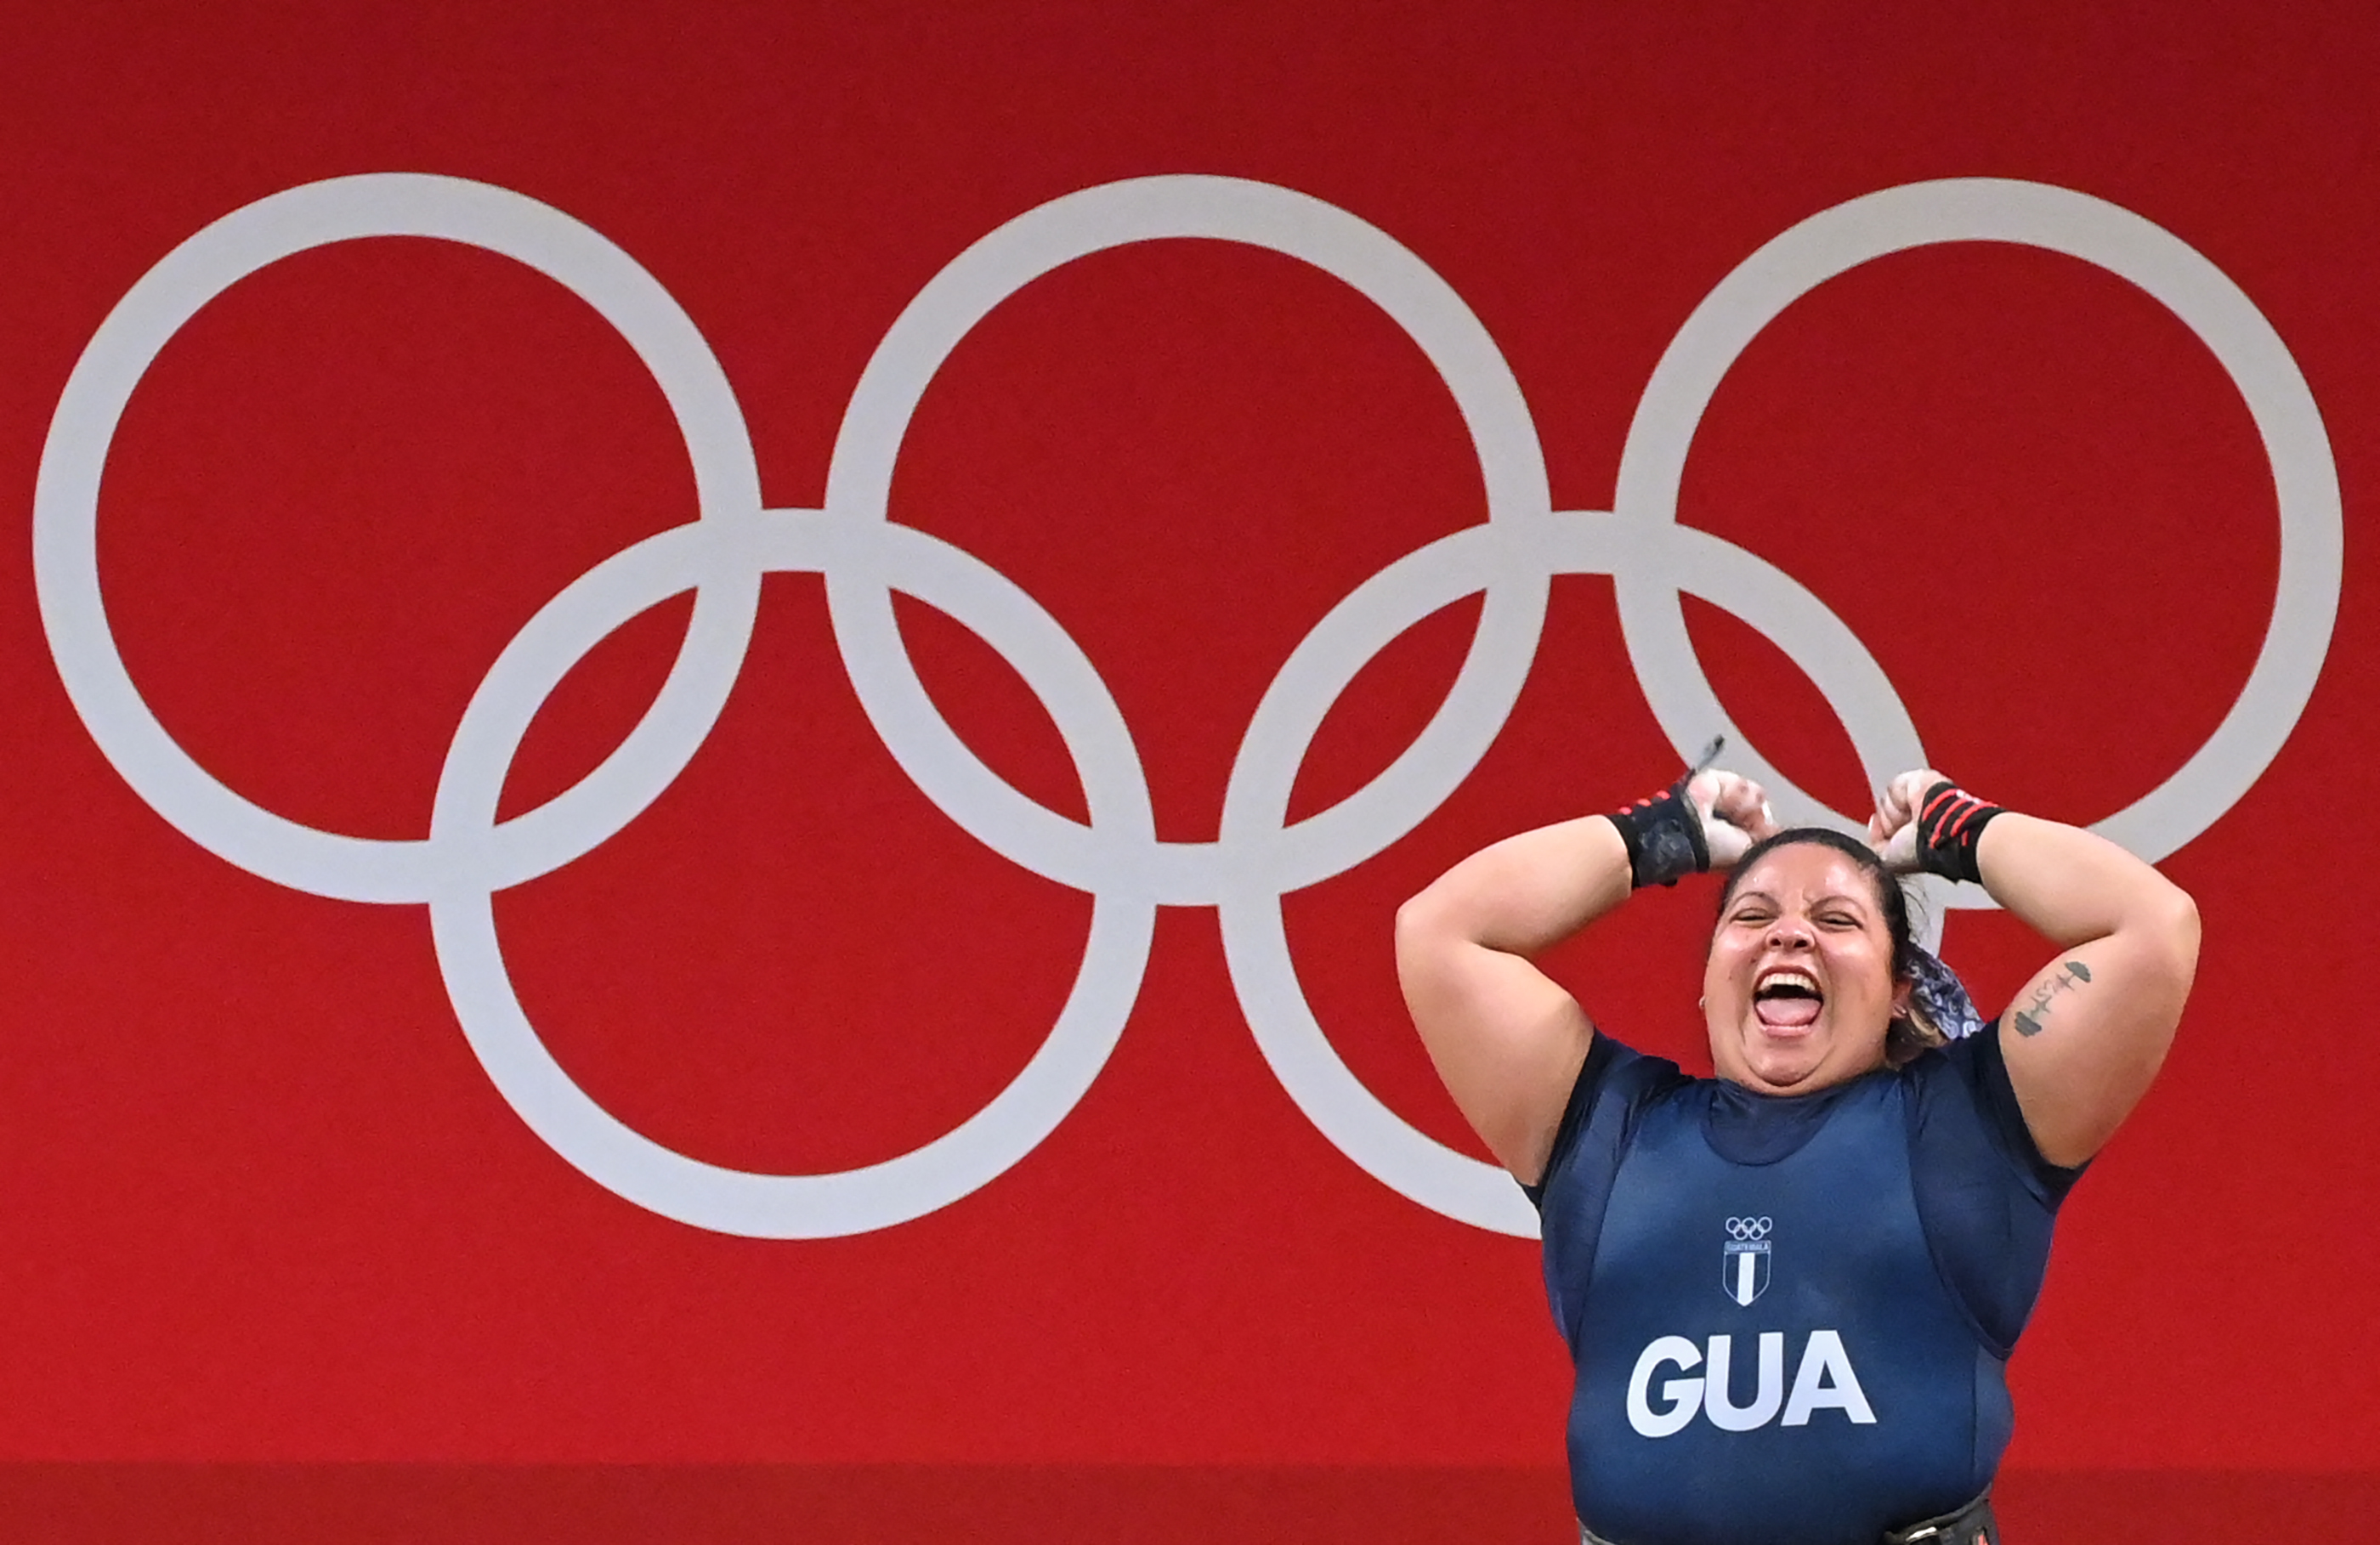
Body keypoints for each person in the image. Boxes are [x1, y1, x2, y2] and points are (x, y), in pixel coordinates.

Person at [1394, 758, 2200, 1545]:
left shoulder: (1972, 1128)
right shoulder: (1605, 1127)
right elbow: (1441, 933)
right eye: (1751, 916)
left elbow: (2152, 929)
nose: (1788, 933)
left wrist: (1959, 827)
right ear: (1709, 984)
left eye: (1836, 919)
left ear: (1897, 992)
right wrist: (1658, 834)